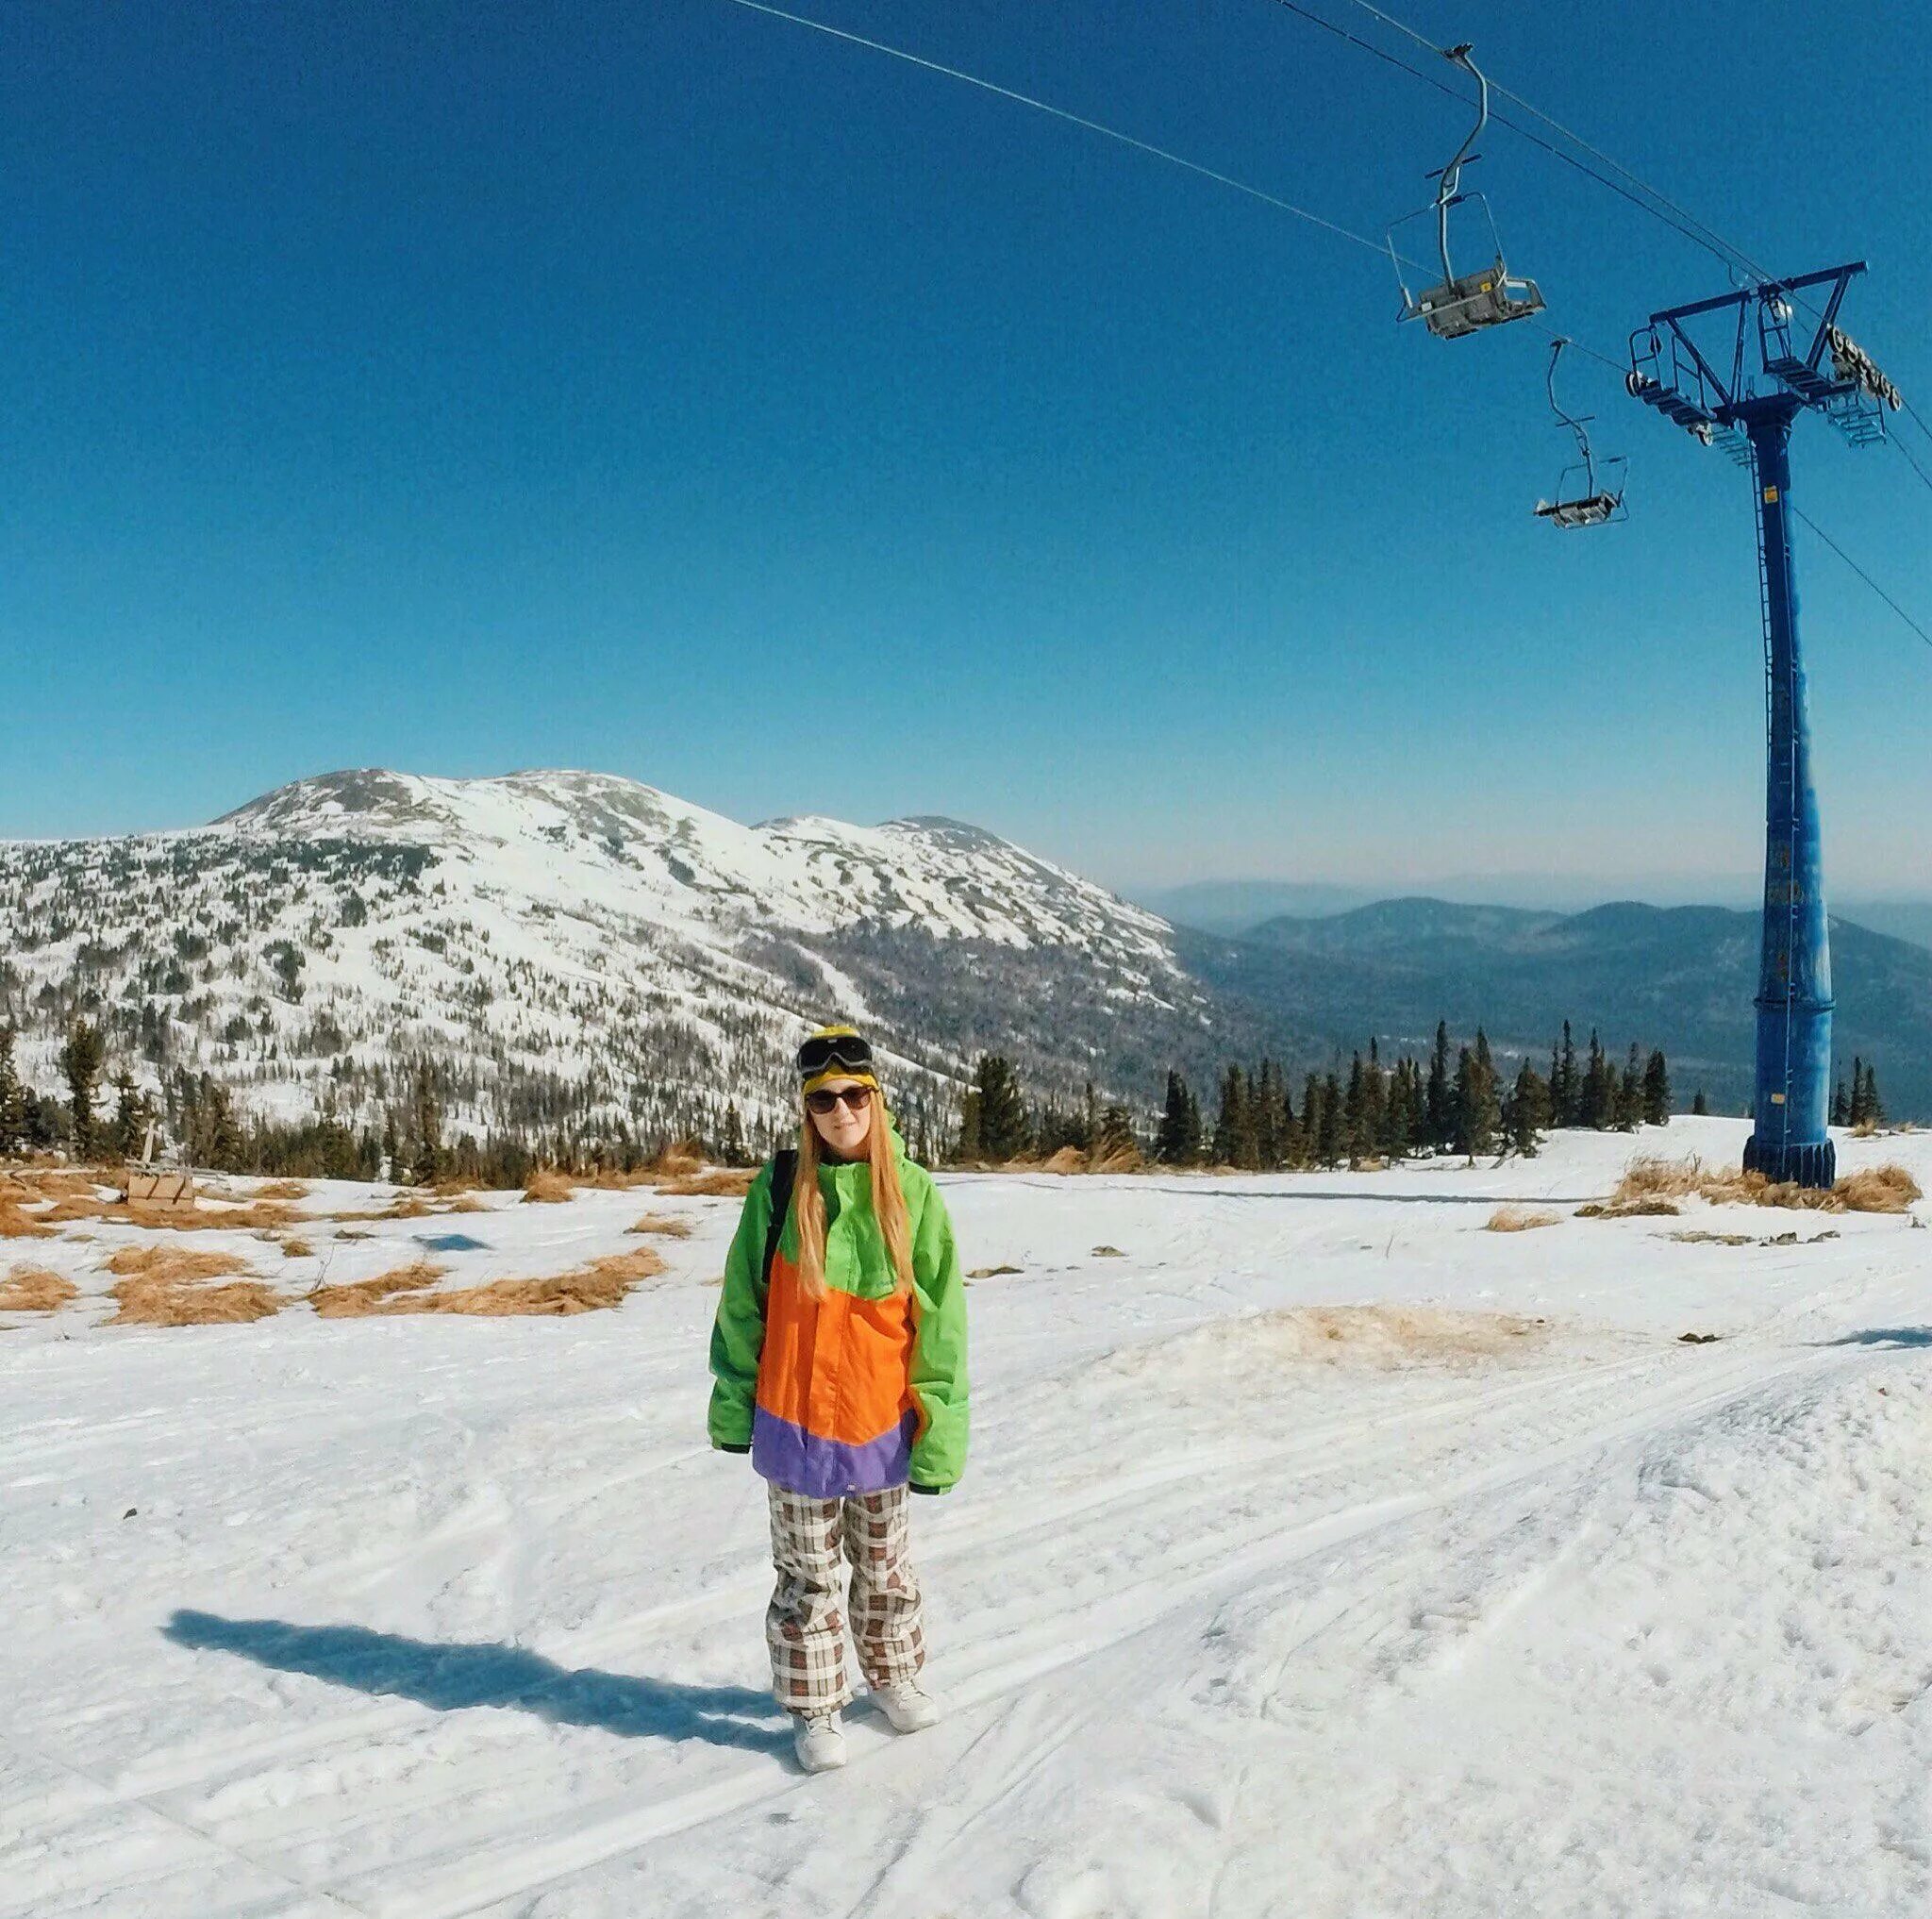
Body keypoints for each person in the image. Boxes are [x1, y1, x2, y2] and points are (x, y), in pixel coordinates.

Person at [708, 1025, 970, 1773]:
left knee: (886, 1570)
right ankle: (817, 1705)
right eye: (823, 1099)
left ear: (876, 1100)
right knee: (807, 1579)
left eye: (854, 1094)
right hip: (795, 1427)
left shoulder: (913, 1192)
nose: (840, 1109)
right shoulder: (782, 1189)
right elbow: (742, 1306)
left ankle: (892, 1675)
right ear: (807, 1109)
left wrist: (940, 1431)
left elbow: (941, 1327)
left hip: (881, 1425)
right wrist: (733, 1408)